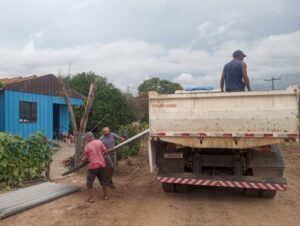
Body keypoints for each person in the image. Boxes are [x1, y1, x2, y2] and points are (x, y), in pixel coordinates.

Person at [83, 131, 109, 202]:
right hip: (102, 164)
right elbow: (106, 151)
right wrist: (100, 154)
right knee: (104, 181)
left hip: (93, 166)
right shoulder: (99, 142)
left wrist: (84, 161)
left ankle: (91, 198)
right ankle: (105, 196)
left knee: (89, 182)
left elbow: (86, 159)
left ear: (87, 138)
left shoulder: (87, 147)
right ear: (93, 137)